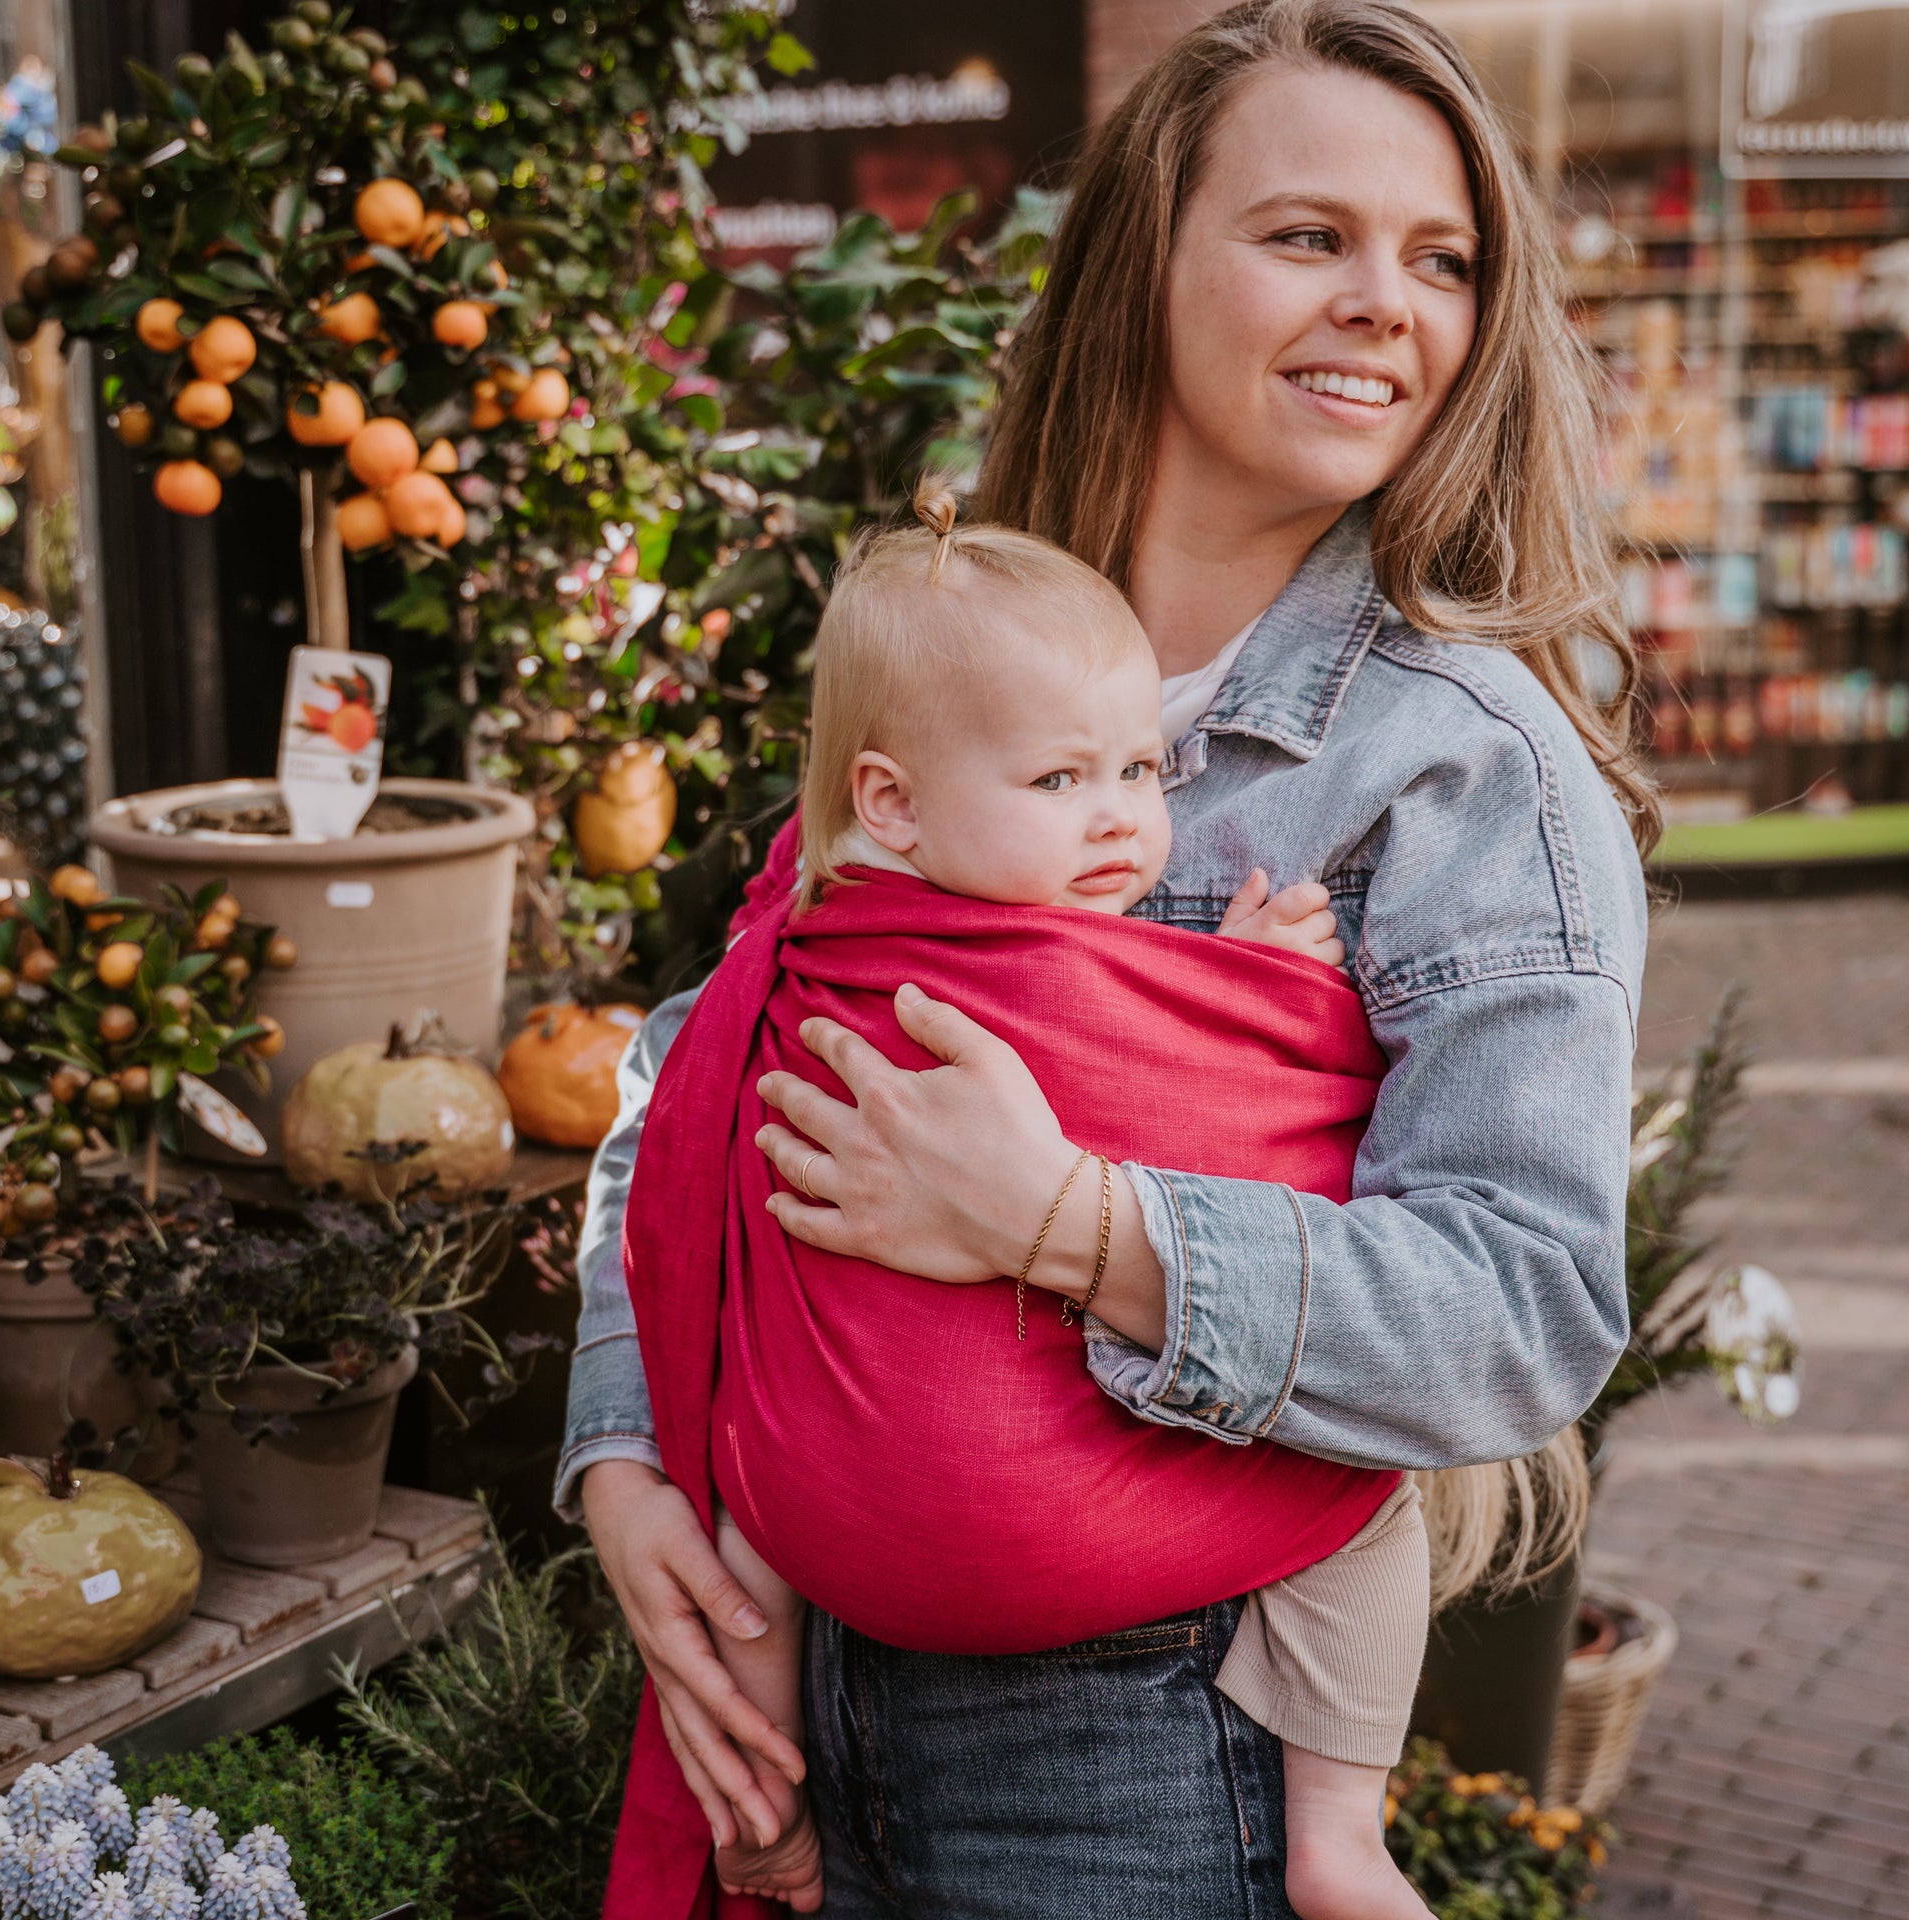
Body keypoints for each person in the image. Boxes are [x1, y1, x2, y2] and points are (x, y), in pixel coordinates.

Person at [563, 3, 1654, 1913]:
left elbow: (1529, 1304)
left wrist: (1070, 1223)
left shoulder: (1467, 765)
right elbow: (709, 1058)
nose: (1386, 302)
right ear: (1144, 259)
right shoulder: (967, 642)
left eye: (1444, 260)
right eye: (1309, 235)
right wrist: (626, 1454)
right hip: (811, 1678)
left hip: (1155, 1733)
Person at [624, 494, 1430, 1919]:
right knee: (1363, 1486)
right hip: (1064, 1580)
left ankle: (756, 1794)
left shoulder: (805, 951)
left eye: (1140, 766)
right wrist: (1256, 993)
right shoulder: (1031, 973)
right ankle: (1339, 1839)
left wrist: (1206, 979)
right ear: (891, 801)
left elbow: (692, 1148)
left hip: (830, 1548)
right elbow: (1211, 1114)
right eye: (1059, 780)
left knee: (754, 1504)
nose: (1119, 815)